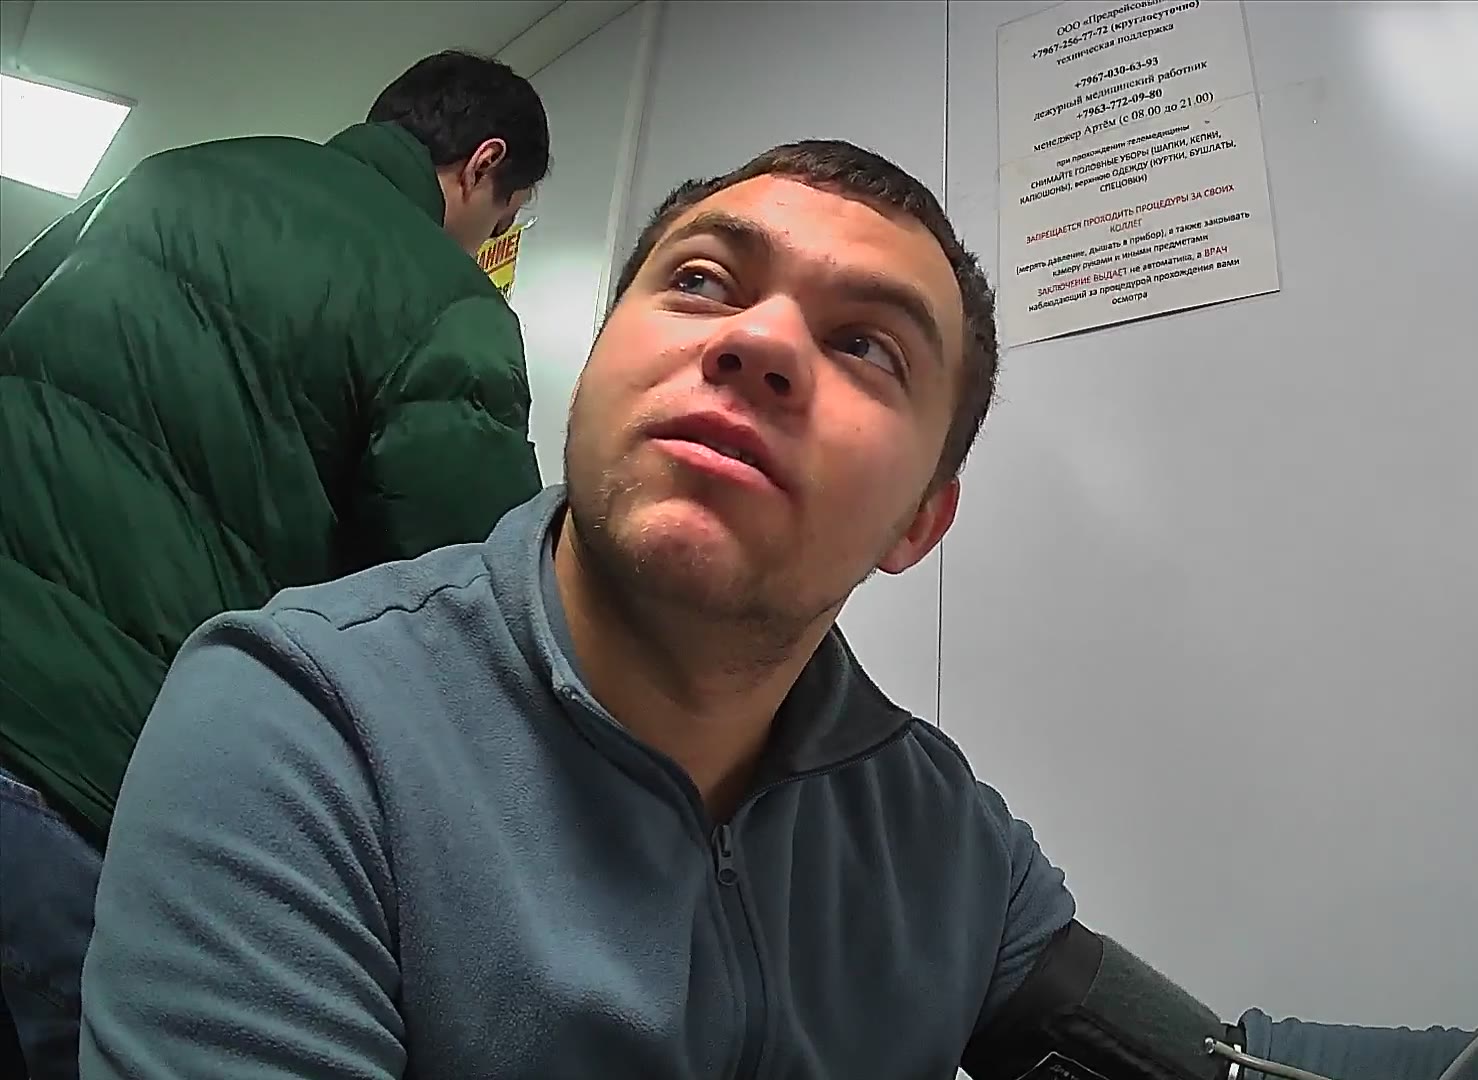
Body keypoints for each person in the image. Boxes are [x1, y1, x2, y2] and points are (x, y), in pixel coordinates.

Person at [75, 140, 1239, 1079]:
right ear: (594, 368)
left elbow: (1214, 1062)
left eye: (866, 345)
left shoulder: (947, 839)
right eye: (700, 281)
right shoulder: (300, 728)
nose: (758, 339)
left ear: (918, 524)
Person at [0, 50, 548, 1078]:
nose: (490, 240)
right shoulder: (447, 300)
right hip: (83, 777)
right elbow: (473, 608)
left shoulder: (170, 175)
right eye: (504, 216)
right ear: (484, 167)